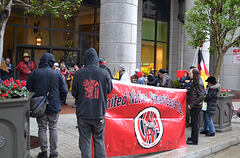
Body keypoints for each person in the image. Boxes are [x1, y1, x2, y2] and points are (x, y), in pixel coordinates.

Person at [72, 48, 113, 158]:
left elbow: (74, 92)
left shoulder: (79, 74)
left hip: (83, 113)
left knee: (85, 141)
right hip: (98, 112)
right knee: (99, 140)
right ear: (95, 59)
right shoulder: (104, 73)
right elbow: (109, 90)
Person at [26, 53, 68, 158]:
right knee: (53, 127)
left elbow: (28, 89)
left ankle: (43, 152)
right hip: (54, 104)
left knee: (42, 128)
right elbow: (64, 90)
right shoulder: (57, 74)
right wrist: (60, 100)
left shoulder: (34, 73)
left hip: (39, 105)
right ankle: (53, 152)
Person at [186, 68, 204, 145]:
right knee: (193, 123)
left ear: (194, 74)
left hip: (196, 106)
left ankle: (194, 140)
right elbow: (192, 91)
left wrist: (192, 104)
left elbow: (201, 96)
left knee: (195, 123)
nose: (189, 75)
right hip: (194, 105)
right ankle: (193, 137)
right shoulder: (195, 82)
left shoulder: (199, 83)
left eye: (190, 73)